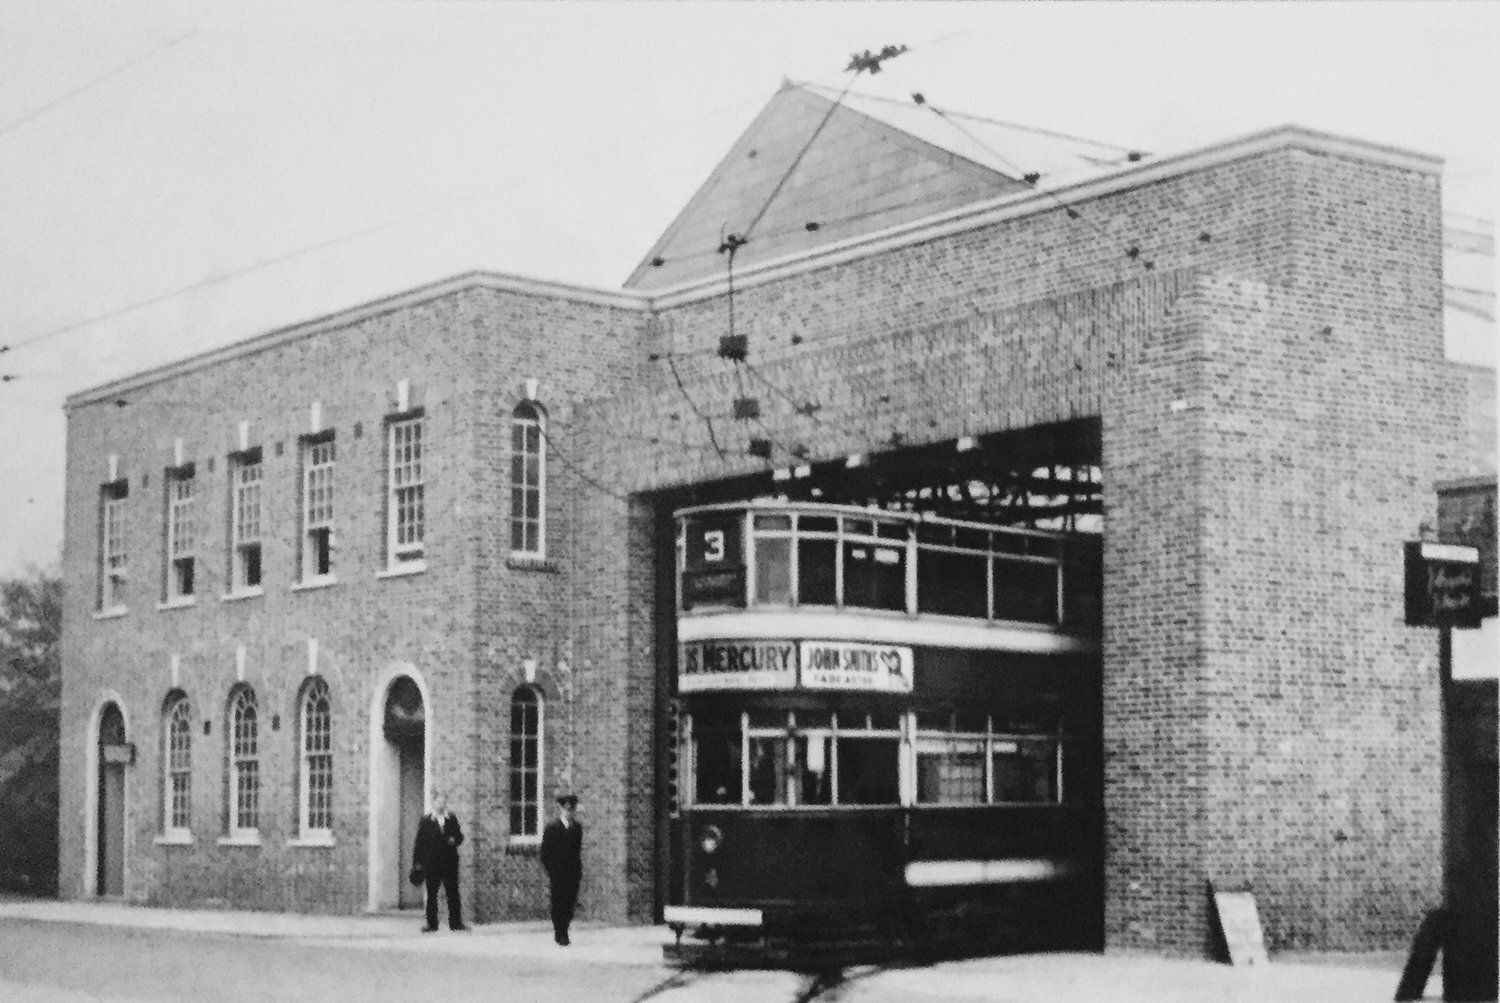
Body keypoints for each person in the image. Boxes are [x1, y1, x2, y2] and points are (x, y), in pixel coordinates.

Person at [411, 790, 467, 932]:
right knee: (432, 894)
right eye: (438, 802)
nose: (441, 804)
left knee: (453, 893)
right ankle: (432, 924)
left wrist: (455, 840)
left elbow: (460, 837)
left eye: (443, 802)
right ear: (433, 803)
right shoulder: (426, 821)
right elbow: (419, 843)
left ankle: (455, 923)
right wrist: (417, 862)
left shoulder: (451, 819)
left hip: (449, 862)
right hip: (432, 863)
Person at [539, 793, 583, 946]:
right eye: (566, 810)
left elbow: (577, 851)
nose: (569, 812)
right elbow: (545, 853)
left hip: (572, 872)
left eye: (571, 810)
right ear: (561, 810)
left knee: (570, 902)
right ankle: (560, 932)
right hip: (558, 873)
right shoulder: (552, 828)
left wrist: (577, 870)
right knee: (558, 903)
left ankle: (565, 929)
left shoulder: (577, 828)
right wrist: (552, 871)